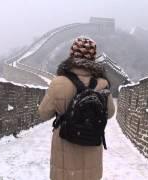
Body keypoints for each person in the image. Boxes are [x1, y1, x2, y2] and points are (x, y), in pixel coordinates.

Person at [38, 36, 115, 180]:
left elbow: (43, 113)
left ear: (72, 55)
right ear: (93, 59)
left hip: (65, 149)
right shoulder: (102, 83)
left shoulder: (58, 82)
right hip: (92, 145)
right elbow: (110, 113)